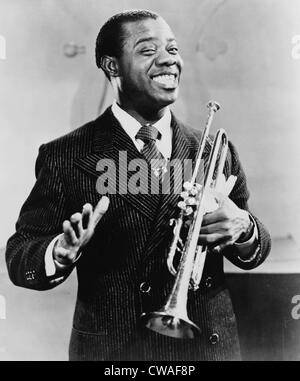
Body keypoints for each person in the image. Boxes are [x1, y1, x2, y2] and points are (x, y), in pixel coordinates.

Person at [5, 9, 271, 361]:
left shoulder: (211, 148)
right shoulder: (66, 155)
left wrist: (243, 228)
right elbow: (20, 253)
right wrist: (58, 251)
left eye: (173, 50)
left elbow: (256, 248)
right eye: (148, 51)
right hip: (116, 353)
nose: (168, 61)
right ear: (112, 66)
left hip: (206, 348)